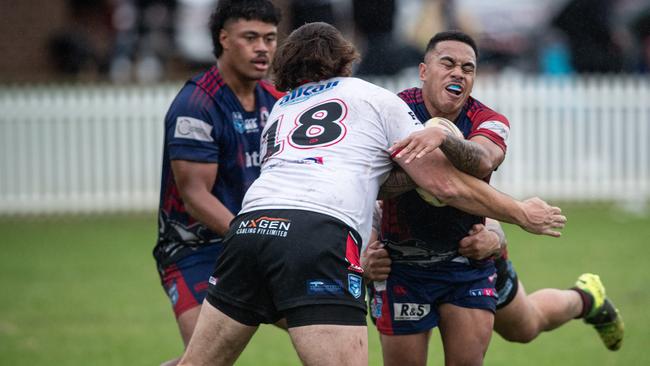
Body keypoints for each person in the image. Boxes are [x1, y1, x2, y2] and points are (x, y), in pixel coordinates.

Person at [177, 22, 566, 366]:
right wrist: (519, 213)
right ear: (346, 62)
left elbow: (349, 175)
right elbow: (443, 183)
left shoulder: (279, 111)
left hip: (249, 230)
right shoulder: (372, 96)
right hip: (318, 236)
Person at [362, 30, 623, 366]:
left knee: (525, 326)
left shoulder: (489, 120)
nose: (458, 73)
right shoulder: (393, 112)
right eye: (448, 63)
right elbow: (368, 186)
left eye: (468, 68)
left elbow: (484, 160)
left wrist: (443, 137)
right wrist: (365, 253)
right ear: (424, 71)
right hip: (403, 267)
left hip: (468, 261)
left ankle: (586, 299)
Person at [152, 1, 282, 365]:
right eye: (250, 37)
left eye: (270, 38)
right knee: (206, 361)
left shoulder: (278, 102)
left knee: (323, 320)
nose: (263, 48)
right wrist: (256, 239)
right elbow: (195, 196)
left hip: (261, 243)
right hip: (196, 250)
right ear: (224, 39)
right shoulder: (196, 105)